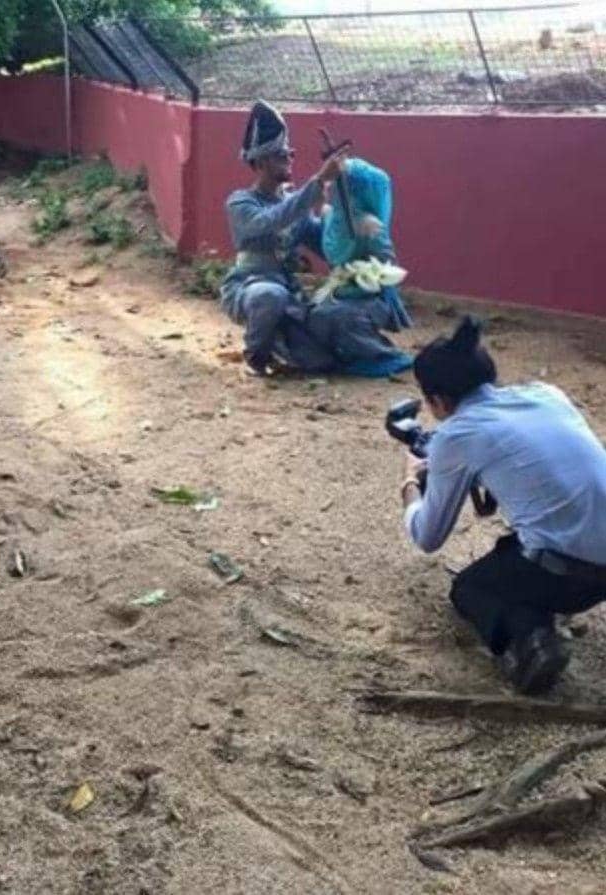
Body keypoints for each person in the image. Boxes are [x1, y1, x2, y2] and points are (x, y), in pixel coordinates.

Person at [401, 316, 606, 694]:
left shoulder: (456, 435)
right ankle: (540, 613)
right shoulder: (547, 394)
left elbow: (427, 537)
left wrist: (411, 482)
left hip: (572, 578)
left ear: (438, 400)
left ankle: (532, 641)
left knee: (470, 588)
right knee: (512, 550)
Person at [220, 99, 412, 377]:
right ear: (261, 161)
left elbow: (327, 244)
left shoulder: (294, 203)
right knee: (269, 295)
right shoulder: (241, 202)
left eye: (291, 154)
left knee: (318, 360)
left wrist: (351, 225)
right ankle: (255, 355)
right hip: (251, 287)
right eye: (283, 155)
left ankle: (279, 340)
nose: (290, 160)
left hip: (291, 296)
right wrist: (317, 183)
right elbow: (269, 221)